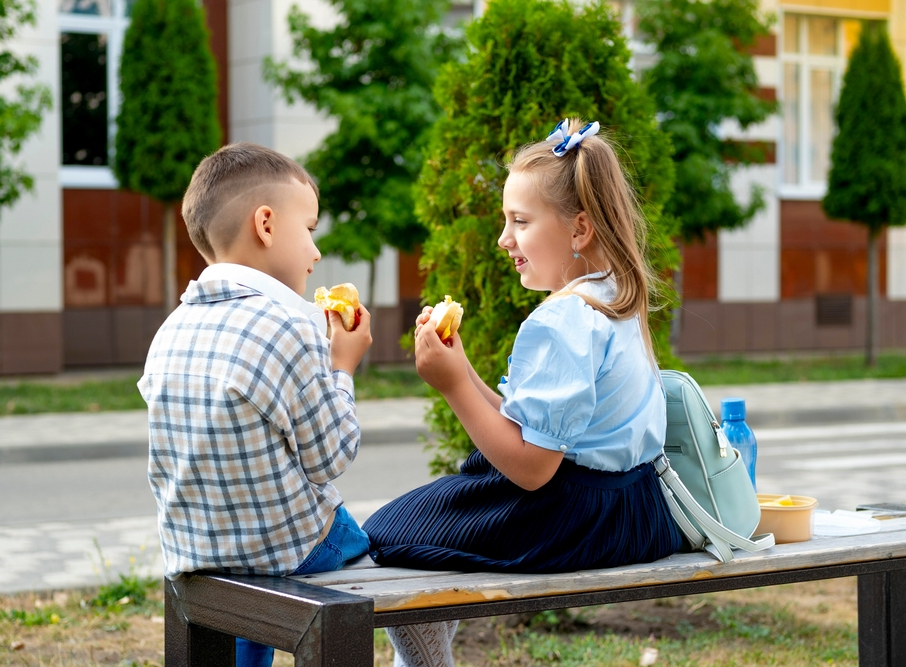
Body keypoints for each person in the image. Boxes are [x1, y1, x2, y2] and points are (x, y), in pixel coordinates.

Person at [364, 119, 682, 667]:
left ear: (579, 229)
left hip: (569, 516)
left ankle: (424, 662)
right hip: (637, 510)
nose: (503, 239)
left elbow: (533, 467)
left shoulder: (560, 319)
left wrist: (453, 384)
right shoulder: (615, 300)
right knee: (440, 521)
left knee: (385, 530)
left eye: (520, 221)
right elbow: (531, 425)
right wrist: (463, 367)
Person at [138, 142, 373, 667]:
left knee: (256, 560)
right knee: (373, 538)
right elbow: (330, 457)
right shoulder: (294, 324)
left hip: (196, 549)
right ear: (265, 224)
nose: (315, 254)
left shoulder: (170, 330)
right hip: (287, 550)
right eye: (310, 230)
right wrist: (344, 366)